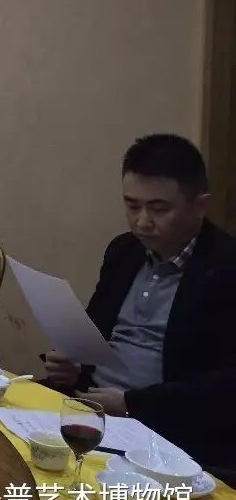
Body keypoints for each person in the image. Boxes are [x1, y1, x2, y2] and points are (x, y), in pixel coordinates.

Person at [42, 134, 236, 470]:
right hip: (91, 406)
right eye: (132, 206)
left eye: (159, 209)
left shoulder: (225, 268)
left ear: (199, 206)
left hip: (167, 430)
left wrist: (134, 404)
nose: (142, 221)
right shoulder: (124, 251)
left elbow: (225, 385)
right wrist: (73, 367)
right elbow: (95, 332)